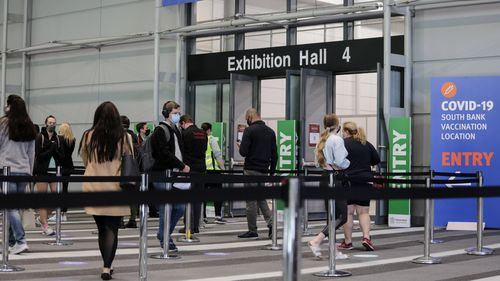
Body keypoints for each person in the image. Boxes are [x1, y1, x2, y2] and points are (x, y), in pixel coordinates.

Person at [79, 101, 132, 280]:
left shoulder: (88, 135)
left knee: (101, 228)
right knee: (112, 229)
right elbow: (129, 162)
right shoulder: (124, 136)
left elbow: (85, 159)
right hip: (116, 187)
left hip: (93, 185)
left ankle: (106, 265)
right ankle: (107, 267)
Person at [308, 113, 350, 259]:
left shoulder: (322, 139)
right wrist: (348, 163)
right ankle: (317, 240)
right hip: (335, 179)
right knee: (342, 216)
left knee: (331, 217)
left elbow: (316, 163)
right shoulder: (336, 140)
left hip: (325, 178)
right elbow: (340, 161)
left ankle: (333, 250)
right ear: (338, 125)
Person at [150, 100, 190, 252]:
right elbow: (163, 154)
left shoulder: (177, 130)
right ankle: (166, 238)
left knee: (179, 207)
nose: (177, 116)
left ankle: (163, 233)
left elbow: (179, 151)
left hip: (176, 173)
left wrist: (182, 166)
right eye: (174, 113)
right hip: (162, 174)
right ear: (166, 114)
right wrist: (182, 166)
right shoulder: (160, 130)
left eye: (178, 113)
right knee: (167, 207)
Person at [0, 95, 37, 254]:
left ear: (10, 107)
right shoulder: (30, 126)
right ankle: (10, 242)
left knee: (10, 207)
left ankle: (21, 240)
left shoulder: (3, 124)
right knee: (14, 207)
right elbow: (31, 153)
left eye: (6, 104)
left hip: (7, 169)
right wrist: (30, 172)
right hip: (24, 170)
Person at [338, 121, 380, 251]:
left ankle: (348, 242)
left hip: (349, 180)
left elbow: (338, 161)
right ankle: (366, 237)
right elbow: (376, 159)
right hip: (365, 179)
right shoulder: (366, 143)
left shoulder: (343, 144)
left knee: (349, 212)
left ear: (346, 131)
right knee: (363, 212)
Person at [237, 108, 276, 239]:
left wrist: (240, 146)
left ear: (250, 117)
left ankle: (252, 229)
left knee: (251, 201)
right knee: (261, 198)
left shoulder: (249, 131)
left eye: (246, 118)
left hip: (251, 169)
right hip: (264, 170)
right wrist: (272, 172)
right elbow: (274, 154)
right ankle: (271, 224)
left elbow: (243, 152)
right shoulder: (270, 132)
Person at [34, 115, 64, 236]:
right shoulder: (39, 137)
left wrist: (54, 150)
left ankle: (42, 218)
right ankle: (45, 225)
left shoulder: (58, 138)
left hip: (54, 171)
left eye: (54, 122)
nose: (52, 124)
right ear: (46, 123)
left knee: (55, 198)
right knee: (43, 198)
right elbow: (39, 156)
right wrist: (51, 149)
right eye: (50, 122)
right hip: (42, 171)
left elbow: (62, 156)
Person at [179, 115, 207, 234]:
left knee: (188, 198)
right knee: (197, 199)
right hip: (201, 168)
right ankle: (195, 226)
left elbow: (182, 151)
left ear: (184, 122)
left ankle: (188, 227)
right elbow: (205, 149)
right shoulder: (202, 133)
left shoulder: (185, 134)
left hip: (189, 168)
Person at [48, 122, 75, 222]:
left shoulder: (59, 139)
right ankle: (63, 213)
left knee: (59, 189)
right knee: (65, 189)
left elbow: (59, 153)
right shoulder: (72, 140)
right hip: (68, 166)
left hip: (60, 165)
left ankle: (59, 212)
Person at [201, 122, 226, 224]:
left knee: (203, 194)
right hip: (213, 170)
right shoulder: (211, 139)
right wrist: (223, 168)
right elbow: (217, 155)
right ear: (209, 130)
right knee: (217, 193)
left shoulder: (199, 140)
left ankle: (203, 216)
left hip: (203, 171)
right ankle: (218, 216)